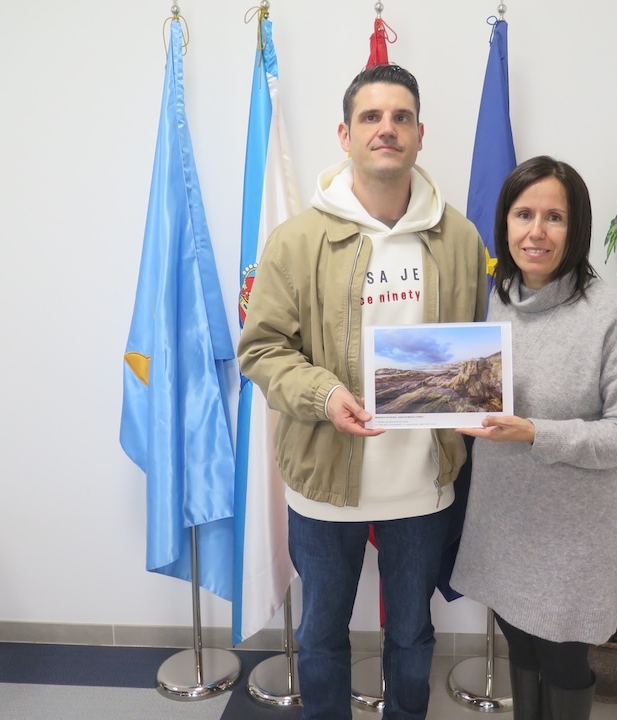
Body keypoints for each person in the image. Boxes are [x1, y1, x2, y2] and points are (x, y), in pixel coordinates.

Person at [237, 64, 487, 720]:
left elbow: (473, 347)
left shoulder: (460, 239)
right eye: (372, 118)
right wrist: (323, 396)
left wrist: (477, 397)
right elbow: (260, 350)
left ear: (421, 133)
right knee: (321, 636)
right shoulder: (296, 241)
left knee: (411, 636)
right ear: (345, 134)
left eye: (401, 117)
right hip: (324, 483)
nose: (387, 129)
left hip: (424, 484)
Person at [449, 156, 617, 720]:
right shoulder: (491, 303)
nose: (536, 232)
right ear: (504, 225)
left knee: (564, 663)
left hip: (571, 537)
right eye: (523, 214)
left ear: (578, 227)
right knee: (521, 646)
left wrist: (536, 432)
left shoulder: (615, 317)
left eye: (554, 217)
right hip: (504, 518)